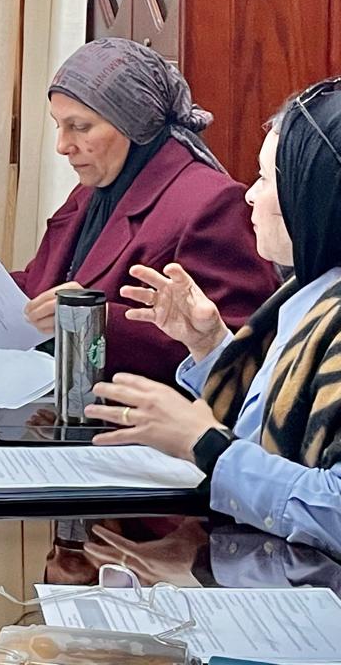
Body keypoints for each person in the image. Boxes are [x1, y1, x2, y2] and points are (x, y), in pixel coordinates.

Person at [86, 77, 341, 555]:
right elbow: (271, 424)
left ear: (315, 196)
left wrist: (202, 444)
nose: (250, 195)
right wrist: (209, 346)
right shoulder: (310, 289)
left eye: (266, 179)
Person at [12, 38, 277, 381]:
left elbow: (239, 347)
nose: (62, 146)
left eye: (80, 127)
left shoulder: (211, 203)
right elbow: (47, 283)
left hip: (147, 410)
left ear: (132, 124)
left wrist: (96, 321)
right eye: (58, 125)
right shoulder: (93, 190)